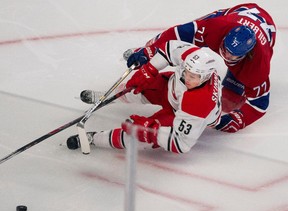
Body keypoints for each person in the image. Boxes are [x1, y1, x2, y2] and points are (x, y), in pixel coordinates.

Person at [125, 3, 276, 133]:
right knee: (169, 40)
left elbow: (259, 105)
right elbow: (179, 33)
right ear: (224, 37)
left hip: (266, 32)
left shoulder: (258, 66)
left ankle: (235, 76)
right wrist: (150, 51)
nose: (226, 55)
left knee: (230, 100)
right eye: (224, 48)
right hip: (240, 12)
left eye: (232, 56)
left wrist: (236, 120)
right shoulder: (216, 27)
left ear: (246, 55)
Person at [67, 40, 222, 154]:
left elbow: (181, 144)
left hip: (178, 114)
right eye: (186, 72)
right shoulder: (193, 57)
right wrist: (150, 69)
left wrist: (150, 132)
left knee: (138, 137)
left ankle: (94, 138)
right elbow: (169, 48)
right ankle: (107, 97)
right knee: (137, 87)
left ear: (206, 77)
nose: (187, 78)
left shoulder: (200, 103)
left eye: (193, 76)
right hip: (171, 89)